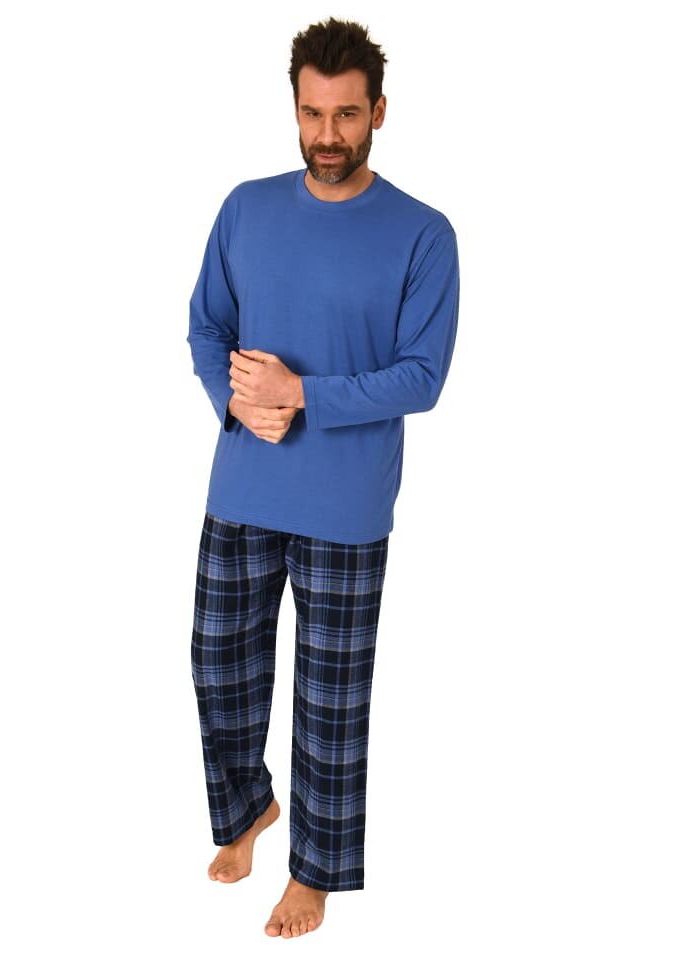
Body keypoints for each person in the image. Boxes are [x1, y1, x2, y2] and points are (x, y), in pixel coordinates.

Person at [187, 16, 459, 938]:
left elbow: (422, 376)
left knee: (330, 699)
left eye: (346, 114)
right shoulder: (245, 208)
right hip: (243, 481)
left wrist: (300, 393)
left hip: (347, 501)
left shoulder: (423, 233)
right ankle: (247, 807)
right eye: (313, 113)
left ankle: (315, 871)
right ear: (295, 109)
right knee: (216, 661)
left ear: (378, 111)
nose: (328, 135)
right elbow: (206, 327)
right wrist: (240, 403)